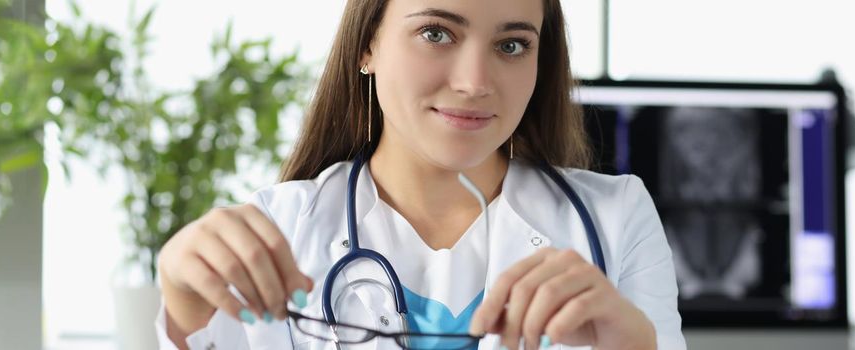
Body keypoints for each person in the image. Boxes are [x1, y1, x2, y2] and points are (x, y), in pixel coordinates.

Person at [154, 0, 685, 349]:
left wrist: (633, 344)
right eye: (436, 33)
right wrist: (181, 306)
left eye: (511, 45)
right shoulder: (279, 227)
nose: (475, 82)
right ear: (368, 45)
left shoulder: (616, 218)